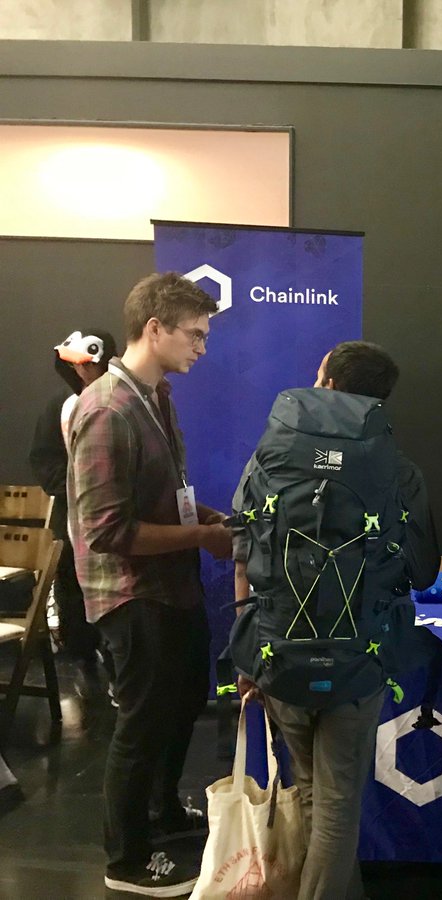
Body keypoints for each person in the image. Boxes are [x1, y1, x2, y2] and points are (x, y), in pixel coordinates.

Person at [234, 341, 440, 900]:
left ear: (325, 383)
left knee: (310, 789)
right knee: (338, 801)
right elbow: (423, 571)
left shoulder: (270, 458)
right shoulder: (398, 470)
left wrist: (246, 653)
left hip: (279, 649)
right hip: (358, 656)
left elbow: (243, 555)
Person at [67, 273, 232, 897]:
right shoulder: (106, 409)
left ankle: (162, 814)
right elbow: (107, 530)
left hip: (171, 587)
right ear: (155, 328)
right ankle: (128, 859)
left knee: (181, 705)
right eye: (195, 335)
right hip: (132, 594)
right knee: (140, 726)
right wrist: (201, 538)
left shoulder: (156, 396)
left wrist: (205, 518)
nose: (202, 348)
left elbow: (162, 495)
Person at [27, 329, 117, 691]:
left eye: (89, 364)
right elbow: (43, 458)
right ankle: (81, 650)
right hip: (70, 514)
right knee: (70, 580)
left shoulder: (119, 400)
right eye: (76, 364)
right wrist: (70, 486)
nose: (82, 371)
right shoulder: (60, 405)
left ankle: (112, 658)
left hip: (113, 518)